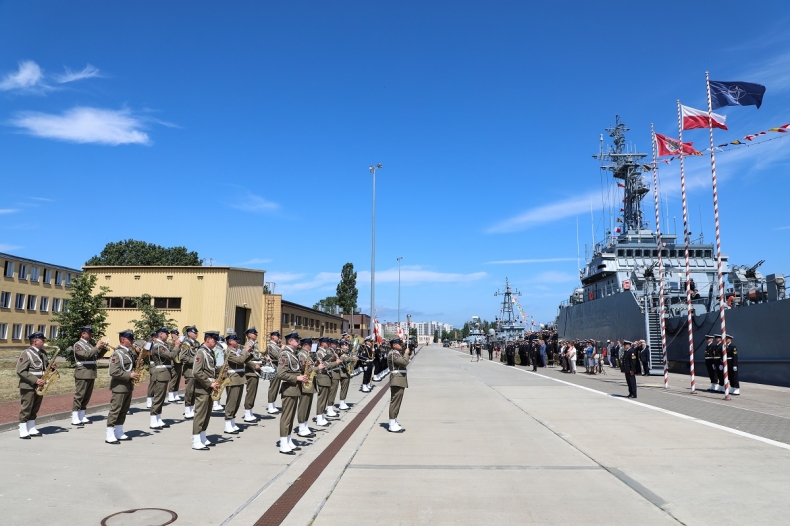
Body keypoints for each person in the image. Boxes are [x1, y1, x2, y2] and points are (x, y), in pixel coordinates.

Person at [16, 332, 52, 439]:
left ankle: (31, 427)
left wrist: (52, 367)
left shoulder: (42, 353)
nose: (44, 342)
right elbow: (20, 371)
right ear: (35, 341)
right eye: (42, 340)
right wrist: (35, 380)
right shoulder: (26, 353)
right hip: (28, 384)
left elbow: (43, 367)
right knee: (27, 407)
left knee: (35, 407)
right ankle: (22, 428)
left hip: (40, 384)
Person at [105, 330, 139, 444]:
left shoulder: (128, 353)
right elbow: (113, 371)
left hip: (128, 386)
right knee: (115, 410)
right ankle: (109, 434)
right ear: (123, 339)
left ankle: (119, 431)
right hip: (119, 386)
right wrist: (129, 375)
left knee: (124, 410)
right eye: (130, 339)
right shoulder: (117, 353)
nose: (132, 341)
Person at [276, 332, 307, 455]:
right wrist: (297, 378)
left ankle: (288, 440)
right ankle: (283, 444)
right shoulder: (285, 354)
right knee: (286, 417)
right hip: (289, 389)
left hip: (295, 389)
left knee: (291, 417)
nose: (298, 342)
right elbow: (281, 374)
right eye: (296, 340)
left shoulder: (292, 354)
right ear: (290, 341)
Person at [191, 330, 221, 450]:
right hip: (203, 388)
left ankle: (203, 437)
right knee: (200, 414)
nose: (216, 342)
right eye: (214, 340)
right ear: (208, 339)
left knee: (207, 414)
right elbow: (196, 372)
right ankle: (195, 439)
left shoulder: (210, 352)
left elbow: (211, 369)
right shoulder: (201, 352)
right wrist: (209, 383)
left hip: (209, 387)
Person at [71, 326, 106, 426]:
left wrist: (103, 348)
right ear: (83, 334)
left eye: (91, 334)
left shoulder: (90, 344)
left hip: (91, 372)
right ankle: (74, 416)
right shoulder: (78, 345)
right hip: (82, 372)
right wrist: (97, 346)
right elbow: (86, 355)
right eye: (88, 333)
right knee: (80, 395)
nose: (90, 335)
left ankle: (82, 415)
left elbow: (96, 356)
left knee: (87, 395)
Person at [149, 328, 177, 429]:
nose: (168, 336)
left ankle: (158, 418)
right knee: (158, 397)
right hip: (160, 373)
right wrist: (177, 346)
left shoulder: (163, 345)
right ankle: (153, 420)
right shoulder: (158, 345)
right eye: (166, 334)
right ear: (160, 334)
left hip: (164, 373)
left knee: (161, 398)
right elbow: (171, 355)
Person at [223, 333, 250, 435]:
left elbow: (245, 360)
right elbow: (239, 360)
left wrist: (249, 352)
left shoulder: (236, 351)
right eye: (235, 340)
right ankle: (227, 423)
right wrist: (245, 351)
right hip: (233, 379)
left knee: (237, 402)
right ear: (230, 341)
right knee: (232, 402)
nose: (237, 342)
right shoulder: (228, 351)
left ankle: (232, 422)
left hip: (240, 379)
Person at [296, 338, 322, 437]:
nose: (311, 347)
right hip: (305, 383)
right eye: (310, 345)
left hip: (310, 382)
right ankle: (301, 427)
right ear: (305, 345)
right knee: (303, 406)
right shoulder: (302, 354)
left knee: (308, 406)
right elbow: (305, 368)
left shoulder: (307, 355)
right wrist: (317, 368)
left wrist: (315, 364)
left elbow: (310, 367)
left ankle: (305, 425)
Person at [387, 337, 410, 433]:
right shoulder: (393, 354)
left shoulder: (396, 353)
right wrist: (406, 353)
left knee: (397, 402)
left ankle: (394, 420)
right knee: (395, 402)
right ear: (394, 345)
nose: (401, 345)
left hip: (399, 379)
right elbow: (404, 362)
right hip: (397, 379)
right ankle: (392, 424)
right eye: (399, 344)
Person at [242, 327, 262, 422]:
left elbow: (256, 356)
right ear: (249, 335)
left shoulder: (254, 344)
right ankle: (247, 413)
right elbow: (246, 359)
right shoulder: (248, 344)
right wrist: (254, 366)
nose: (256, 335)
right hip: (251, 372)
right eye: (254, 333)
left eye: (256, 333)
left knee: (253, 392)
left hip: (255, 371)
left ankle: (249, 412)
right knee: (250, 392)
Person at [180, 326, 199, 419]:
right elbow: (182, 357)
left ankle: (192, 408)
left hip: (196, 370)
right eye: (194, 333)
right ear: (189, 333)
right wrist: (195, 361)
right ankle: (187, 409)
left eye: (196, 333)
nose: (196, 334)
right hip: (189, 370)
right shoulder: (185, 344)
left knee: (195, 391)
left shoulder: (197, 343)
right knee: (189, 391)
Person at [314, 337, 333, 426]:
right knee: (322, 399)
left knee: (325, 398)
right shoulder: (320, 352)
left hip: (327, 376)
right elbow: (324, 365)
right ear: (322, 343)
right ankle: (319, 418)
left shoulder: (325, 352)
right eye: (326, 342)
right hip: (322, 376)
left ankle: (321, 416)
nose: (328, 343)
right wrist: (335, 363)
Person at [266, 331, 282, 414]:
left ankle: (273, 404)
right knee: (273, 387)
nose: (279, 338)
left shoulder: (276, 346)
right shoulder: (270, 346)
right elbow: (278, 356)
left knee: (276, 386)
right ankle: (270, 405)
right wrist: (282, 349)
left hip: (277, 368)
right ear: (273, 337)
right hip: (273, 368)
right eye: (277, 336)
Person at [166, 328, 183, 404]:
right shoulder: (170, 342)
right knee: (173, 378)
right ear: (172, 334)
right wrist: (175, 345)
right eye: (175, 334)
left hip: (179, 362)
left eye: (177, 334)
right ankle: (170, 394)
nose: (176, 335)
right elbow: (170, 351)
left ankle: (175, 394)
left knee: (178, 378)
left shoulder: (179, 341)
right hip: (173, 362)